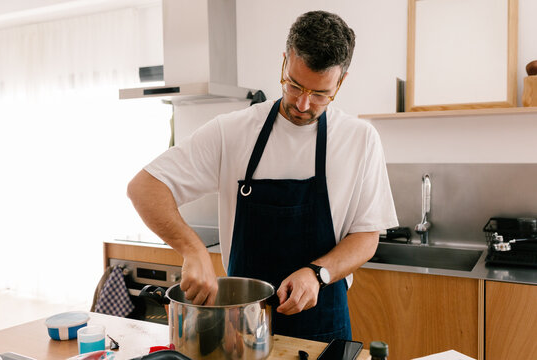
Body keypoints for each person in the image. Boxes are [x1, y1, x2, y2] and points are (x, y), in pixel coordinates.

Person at [127, 10, 398, 342]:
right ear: (285, 62)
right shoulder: (233, 131)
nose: (302, 103)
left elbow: (367, 236)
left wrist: (317, 273)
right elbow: (144, 187)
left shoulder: (360, 139)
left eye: (320, 94)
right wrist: (192, 250)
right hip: (242, 328)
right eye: (294, 85)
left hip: (323, 327)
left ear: (340, 81)